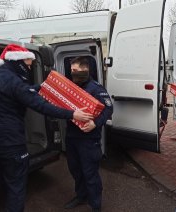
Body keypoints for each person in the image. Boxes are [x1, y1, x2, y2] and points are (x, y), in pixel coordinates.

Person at [0, 44, 93, 212]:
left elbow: (19, 92)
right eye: (28, 63)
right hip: (10, 144)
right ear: (18, 61)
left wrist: (42, 87)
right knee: (15, 187)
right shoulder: (15, 83)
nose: (30, 66)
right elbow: (42, 106)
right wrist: (73, 114)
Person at [63, 57, 113, 212]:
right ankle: (81, 196)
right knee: (75, 170)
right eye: (71, 71)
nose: (73, 74)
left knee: (90, 173)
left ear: (86, 70)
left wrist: (95, 123)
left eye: (76, 71)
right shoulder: (71, 86)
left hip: (88, 140)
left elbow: (108, 109)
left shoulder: (96, 89)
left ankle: (95, 205)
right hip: (72, 137)